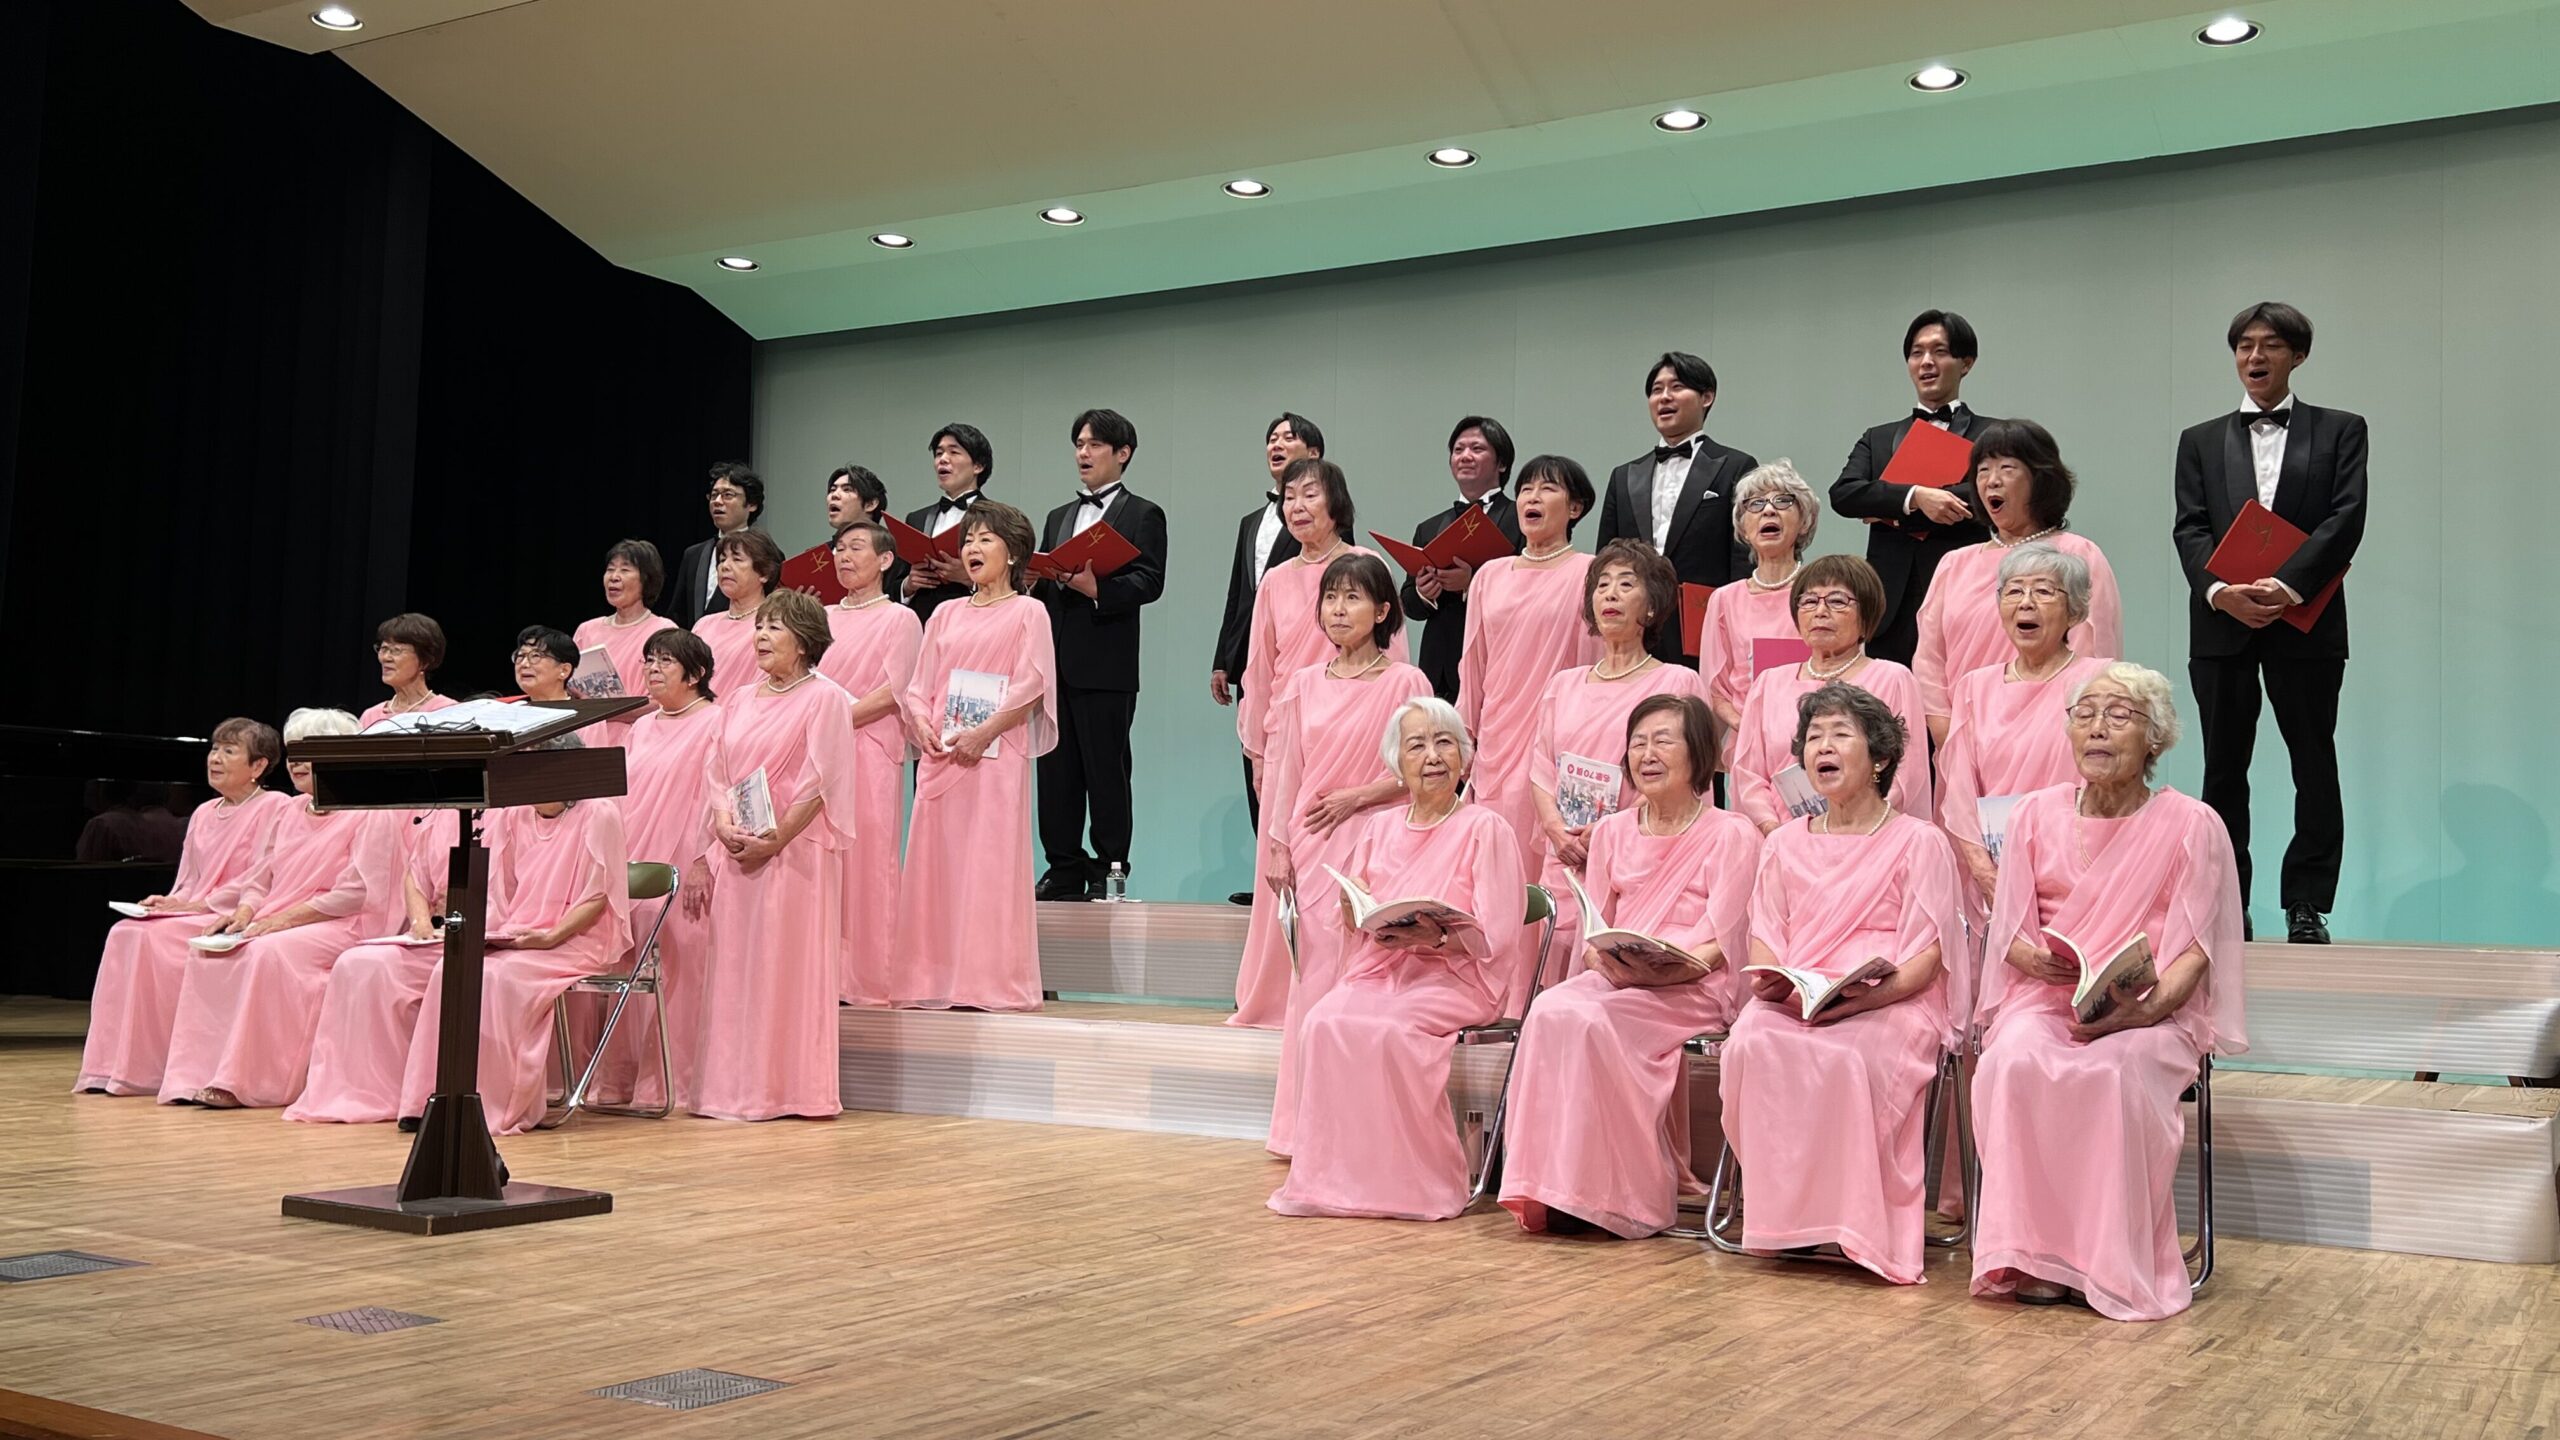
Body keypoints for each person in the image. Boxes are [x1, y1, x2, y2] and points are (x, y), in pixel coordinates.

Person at [1972, 663, 2249, 1319]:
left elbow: (2196, 951)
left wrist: (2143, 1010)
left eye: (2119, 715)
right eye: (2085, 714)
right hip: (2046, 998)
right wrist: (2033, 958)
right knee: (2011, 1060)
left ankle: (2104, 1262)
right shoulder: (2034, 814)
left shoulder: (2192, 823)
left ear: (2154, 738)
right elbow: (2009, 928)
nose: (2097, 727)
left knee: (2113, 1072)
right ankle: (2032, 1256)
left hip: (2152, 1012)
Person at [1719, 684, 1962, 1284]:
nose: (1822, 747)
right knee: (1751, 1040)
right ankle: (1789, 1222)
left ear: (1880, 757)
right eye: (1814, 738)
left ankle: (1854, 1226)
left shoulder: (1920, 840)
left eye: (1839, 734)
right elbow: (1765, 938)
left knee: (1851, 1056)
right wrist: (1775, 986)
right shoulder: (1783, 843)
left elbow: (1926, 958)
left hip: (1892, 1000)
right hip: (1802, 997)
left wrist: (1861, 999)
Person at [1497, 694, 1762, 1238]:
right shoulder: (1613, 831)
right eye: (1638, 743)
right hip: (1619, 975)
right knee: (1551, 1008)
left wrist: (1662, 968)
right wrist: (1611, 961)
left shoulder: (1733, 833)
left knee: (1593, 1021)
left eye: (1663, 740)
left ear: (1699, 753)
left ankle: (1622, 1197)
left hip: (1693, 985)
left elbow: (1723, 944)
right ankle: (1555, 1190)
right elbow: (1594, 933)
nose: (1647, 754)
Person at [1267, 698, 1527, 1221]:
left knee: (1393, 1030)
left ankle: (1417, 1185)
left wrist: (1437, 938)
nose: (1432, 756)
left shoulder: (1486, 827)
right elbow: (1354, 914)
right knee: (1324, 1022)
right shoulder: (1379, 827)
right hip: (1383, 969)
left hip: (1457, 976)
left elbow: (1497, 933)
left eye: (1444, 743)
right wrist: (1355, 908)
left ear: (1464, 757)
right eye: (1417, 745)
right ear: (1397, 764)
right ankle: (1338, 1180)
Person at [2172, 301, 2366, 944]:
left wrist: (2286, 586)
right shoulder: (2199, 440)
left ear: (2298, 355)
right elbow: (2190, 527)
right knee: (2223, 767)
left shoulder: (2341, 429)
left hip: (2306, 619)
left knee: (2313, 761)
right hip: (2221, 624)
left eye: (2271, 345)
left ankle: (2307, 902)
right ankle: (2229, 901)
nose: (2255, 357)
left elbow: (2346, 518)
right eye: (2244, 346)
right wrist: (2219, 591)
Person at [1237, 556, 1431, 1158]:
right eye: (1330, 598)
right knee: (1315, 980)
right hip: (1313, 843)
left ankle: (1364, 1129)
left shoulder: (1406, 683)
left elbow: (1427, 771)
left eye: (1353, 598)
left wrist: (1359, 796)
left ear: (1383, 610)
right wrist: (1277, 845)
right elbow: (1287, 774)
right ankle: (1305, 1127)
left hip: (1380, 842)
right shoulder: (1302, 684)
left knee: (1371, 978)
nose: (1338, 610)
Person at [154, 708, 401, 1109]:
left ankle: (250, 1080)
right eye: (293, 753)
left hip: (343, 923)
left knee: (266, 953)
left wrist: (283, 920)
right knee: (209, 952)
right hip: (280, 917)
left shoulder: (370, 813)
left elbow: (354, 893)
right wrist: (246, 912)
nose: (296, 763)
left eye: (309, 753)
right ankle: (193, 1076)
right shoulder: (287, 809)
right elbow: (260, 876)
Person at [392, 743, 631, 1136]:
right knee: (451, 971)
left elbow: (598, 895)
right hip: (525, 931)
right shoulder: (517, 815)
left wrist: (550, 936)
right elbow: (504, 890)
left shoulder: (599, 813)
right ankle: (432, 1102)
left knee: (500, 980)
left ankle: (497, 1107)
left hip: (579, 937)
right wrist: (502, 933)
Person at [886, 502, 1058, 1010]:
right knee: (936, 867)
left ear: (1014, 552)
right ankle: (930, 978)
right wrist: (920, 723)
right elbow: (919, 685)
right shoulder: (944, 612)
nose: (972, 549)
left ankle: (986, 980)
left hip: (994, 756)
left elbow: (1032, 684)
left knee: (988, 865)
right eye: (968, 540)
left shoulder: (1029, 611)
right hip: (942, 754)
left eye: (985, 539)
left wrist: (985, 732)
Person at [696, 589, 860, 1119]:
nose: (761, 636)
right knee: (735, 968)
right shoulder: (738, 699)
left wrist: (776, 839)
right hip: (738, 850)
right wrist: (724, 825)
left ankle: (788, 1089)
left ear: (805, 642)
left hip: (794, 854)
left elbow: (820, 782)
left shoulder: (826, 698)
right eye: (759, 626)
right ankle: (730, 1088)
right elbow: (718, 772)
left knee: (783, 968)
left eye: (775, 627)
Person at [76, 719, 294, 1096]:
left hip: (235, 912)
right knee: (125, 932)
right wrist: (172, 901)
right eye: (214, 749)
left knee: (151, 939)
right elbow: (190, 879)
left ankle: (150, 1068)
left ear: (258, 766)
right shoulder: (205, 811)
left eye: (229, 751)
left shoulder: (276, 806)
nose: (215, 758)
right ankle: (113, 1066)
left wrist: (198, 904)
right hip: (197, 907)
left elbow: (263, 875)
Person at [1527, 540, 1711, 974]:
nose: (1610, 593)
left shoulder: (1677, 682)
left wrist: (1611, 830)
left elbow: (1690, 774)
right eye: (1602, 584)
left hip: (1639, 855)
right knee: (1557, 975)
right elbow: (1540, 767)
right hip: (1566, 855)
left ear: (1651, 606)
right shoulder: (1563, 684)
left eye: (1626, 584)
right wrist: (1555, 829)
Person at [1912, 420, 2123, 742]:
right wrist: (1945, 730)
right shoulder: (1954, 563)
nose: (1992, 480)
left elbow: (2092, 651)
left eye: (2007, 468)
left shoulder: (2077, 554)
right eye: (1983, 470)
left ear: (2040, 479)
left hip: (2051, 735)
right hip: (1962, 735)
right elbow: (1930, 659)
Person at [583, 628, 724, 1110]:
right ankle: (618, 1081)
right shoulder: (642, 727)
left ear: (696, 673)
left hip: (685, 856)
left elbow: (716, 798)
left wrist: (703, 860)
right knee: (628, 959)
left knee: (680, 967)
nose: (652, 669)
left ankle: (668, 1082)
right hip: (634, 853)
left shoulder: (716, 722)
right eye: (649, 660)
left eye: (665, 661)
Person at [1035, 408, 1170, 900]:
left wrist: (1098, 589)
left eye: (1094, 444)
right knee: (1055, 771)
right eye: (1078, 444)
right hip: (1056, 661)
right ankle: (1063, 866)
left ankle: (1111, 867)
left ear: (1122, 453)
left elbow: (1150, 581)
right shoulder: (1057, 517)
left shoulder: (1144, 513)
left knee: (1106, 770)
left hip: (1107, 665)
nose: (1083, 453)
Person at [1936, 542, 2112, 905]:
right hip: (1993, 875)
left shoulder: (2101, 681)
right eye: (2014, 591)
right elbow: (1960, 794)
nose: (2026, 603)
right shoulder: (1974, 687)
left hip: (2078, 872)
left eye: (2043, 592)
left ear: (2074, 611)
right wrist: (1984, 872)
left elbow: (2115, 784)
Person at [1455, 454, 1601, 878]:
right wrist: (1465, 739)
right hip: (1497, 740)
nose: (1532, 498)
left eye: (1547, 488)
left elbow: (1596, 662)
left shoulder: (1590, 573)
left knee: (1551, 862)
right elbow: (1473, 665)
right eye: (1525, 490)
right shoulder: (1489, 575)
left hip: (1558, 740)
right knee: (1494, 864)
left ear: (1575, 508)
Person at [1236, 459, 1407, 808]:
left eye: (1310, 495)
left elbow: (1394, 656)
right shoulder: (1274, 580)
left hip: (1358, 732)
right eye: (1289, 497)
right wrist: (1257, 753)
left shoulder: (1367, 565)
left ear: (1336, 502)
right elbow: (1260, 672)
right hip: (1289, 734)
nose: (1297, 507)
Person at [1827, 310, 1995, 666]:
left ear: (1966, 363)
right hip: (1889, 603)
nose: (1926, 362)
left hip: (1966, 594)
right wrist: (1915, 497)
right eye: (1917, 353)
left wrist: (1890, 511)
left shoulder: (1993, 435)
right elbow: (1843, 494)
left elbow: (1991, 495)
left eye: (1939, 351)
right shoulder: (1878, 437)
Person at [1728, 554, 1933, 831]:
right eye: (1809, 601)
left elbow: (1906, 773)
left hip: (1866, 834)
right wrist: (1775, 830)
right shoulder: (1768, 683)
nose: (1820, 611)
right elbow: (1748, 774)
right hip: (1779, 837)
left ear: (1867, 614)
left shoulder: (1893, 678)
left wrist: (1853, 824)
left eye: (1837, 601)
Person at [284, 806, 460, 1126]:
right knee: (356, 964)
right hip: (435, 932)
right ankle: (358, 1091)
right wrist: (420, 922)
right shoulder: (439, 816)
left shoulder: (506, 817)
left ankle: (422, 1096)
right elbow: (415, 875)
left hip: (482, 930)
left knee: (430, 975)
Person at [1211, 412, 1322, 885]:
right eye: (1272, 438)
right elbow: (1239, 593)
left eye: (1288, 438)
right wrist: (1224, 659)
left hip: (1307, 665)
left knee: (1301, 771)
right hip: (1255, 662)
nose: (1276, 445)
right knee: (1257, 767)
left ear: (1314, 454)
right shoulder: (1251, 521)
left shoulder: (1328, 520)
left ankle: (1305, 871)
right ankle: (1266, 876)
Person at [819, 520, 924, 1004]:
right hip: (822, 752)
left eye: (856, 547)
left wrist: (836, 719)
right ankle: (822, 973)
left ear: (885, 560)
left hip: (872, 749)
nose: (843, 556)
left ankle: (870, 977)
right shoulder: (820, 616)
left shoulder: (900, 618)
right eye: (839, 548)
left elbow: (894, 691)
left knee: (869, 860)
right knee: (824, 861)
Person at [1596, 352, 1755, 660]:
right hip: (1635, 623)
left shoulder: (1736, 466)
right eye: (1656, 390)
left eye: (1677, 387)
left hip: (1703, 621)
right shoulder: (1623, 476)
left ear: (1706, 397)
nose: (1664, 397)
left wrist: (1736, 620)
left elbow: (1743, 556)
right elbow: (1607, 556)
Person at [1401, 416, 1524, 702]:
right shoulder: (1429, 527)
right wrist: (1424, 592)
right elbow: (1410, 604)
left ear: (1501, 463)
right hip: (1440, 669)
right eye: (1458, 450)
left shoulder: (1521, 520)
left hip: (1498, 663)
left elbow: (1528, 593)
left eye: (1477, 449)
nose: (1465, 456)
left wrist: (1472, 584)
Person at [1701, 459, 1821, 744]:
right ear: (1743, 528)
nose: (1768, 510)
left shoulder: (1821, 593)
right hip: (1747, 740)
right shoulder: (1725, 599)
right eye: (1755, 504)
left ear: (1804, 522)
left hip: (1814, 738)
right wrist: (1748, 726)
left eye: (1783, 501)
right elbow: (1715, 691)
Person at [572, 539, 678, 722]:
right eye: (610, 569)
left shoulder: (664, 631)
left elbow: (667, 698)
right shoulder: (587, 630)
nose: (614, 577)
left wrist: (610, 711)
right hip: (587, 730)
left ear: (646, 579)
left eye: (625, 570)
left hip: (637, 731)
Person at [901, 422, 995, 624]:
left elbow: (1013, 582)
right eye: (938, 453)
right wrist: (908, 585)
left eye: (954, 452)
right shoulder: (916, 519)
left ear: (978, 466)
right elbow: (894, 582)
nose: (942, 459)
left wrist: (969, 579)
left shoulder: (998, 518)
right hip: (922, 624)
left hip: (975, 623)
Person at [690, 528, 783, 700]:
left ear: (764, 573)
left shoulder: (777, 626)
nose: (725, 566)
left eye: (737, 559)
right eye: (722, 560)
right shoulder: (703, 625)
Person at [671, 462, 763, 628]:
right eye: (714, 495)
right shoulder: (693, 554)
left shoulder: (765, 553)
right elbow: (678, 615)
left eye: (728, 495)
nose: (718, 501)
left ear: (752, 504)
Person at [827, 464, 909, 602]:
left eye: (847, 489)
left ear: (870, 504)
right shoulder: (818, 555)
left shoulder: (898, 554)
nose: (834, 495)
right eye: (832, 490)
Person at [358, 613, 455, 728]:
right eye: (384, 649)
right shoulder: (370, 716)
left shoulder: (448, 711)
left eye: (396, 650)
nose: (385, 658)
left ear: (425, 661)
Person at [510, 626, 577, 703]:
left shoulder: (584, 709)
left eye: (535, 656)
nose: (524, 664)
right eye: (521, 656)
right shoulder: (507, 708)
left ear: (564, 670)